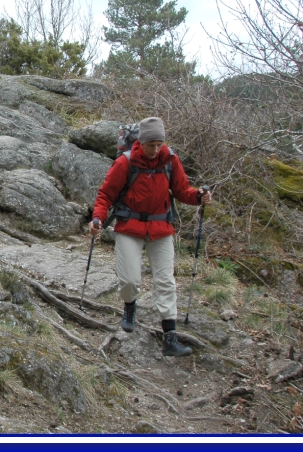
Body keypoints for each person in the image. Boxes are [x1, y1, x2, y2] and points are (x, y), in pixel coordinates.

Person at [89, 116, 212, 357]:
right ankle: (129, 306)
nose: (155, 150)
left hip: (160, 227)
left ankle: (170, 337)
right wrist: (97, 219)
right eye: (151, 145)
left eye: (159, 144)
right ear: (141, 142)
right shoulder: (126, 162)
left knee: (166, 281)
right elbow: (105, 195)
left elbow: (182, 191)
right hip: (129, 226)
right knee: (130, 280)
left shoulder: (170, 159)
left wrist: (198, 196)